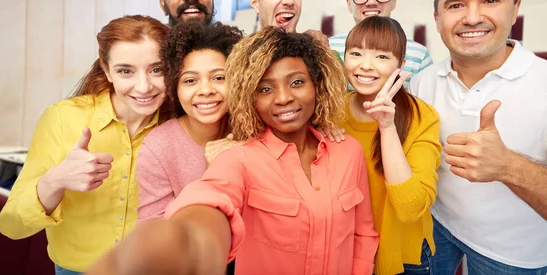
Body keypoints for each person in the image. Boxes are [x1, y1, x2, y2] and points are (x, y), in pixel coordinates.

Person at [86, 27, 379, 275]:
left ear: (319, 85)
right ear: (249, 95)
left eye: (298, 82)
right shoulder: (239, 156)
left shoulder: (348, 151)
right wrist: (184, 244)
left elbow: (363, 235)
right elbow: (211, 200)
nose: (284, 97)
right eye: (265, 89)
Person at [0, 15, 171, 275]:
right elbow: (12, 225)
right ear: (106, 68)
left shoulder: (181, 125)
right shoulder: (62, 118)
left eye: (157, 69)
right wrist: (55, 180)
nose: (144, 86)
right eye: (126, 71)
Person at [409, 0, 547, 274]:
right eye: (456, 5)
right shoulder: (421, 83)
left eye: (490, 1)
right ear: (438, 19)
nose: (472, 17)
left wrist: (508, 166)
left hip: (515, 255)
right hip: (437, 225)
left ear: (515, 10)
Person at [338, 16, 441, 275]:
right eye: (356, 53)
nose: (365, 65)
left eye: (382, 57)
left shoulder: (422, 116)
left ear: (401, 65)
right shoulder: (331, 111)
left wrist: (387, 127)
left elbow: (410, 208)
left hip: (402, 258)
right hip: (346, 250)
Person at [136, 21, 243, 220]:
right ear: (174, 88)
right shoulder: (158, 147)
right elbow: (155, 233)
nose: (206, 90)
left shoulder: (252, 130)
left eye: (219, 78)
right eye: (190, 80)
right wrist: (215, 176)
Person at [329, 0, 433, 86]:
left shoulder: (419, 54)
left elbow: (423, 104)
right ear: (349, 4)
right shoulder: (328, 48)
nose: (371, 1)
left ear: (394, 1)